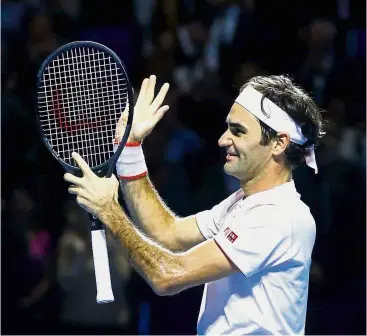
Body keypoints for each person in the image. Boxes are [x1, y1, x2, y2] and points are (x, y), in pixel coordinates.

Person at [64, 74, 325, 335]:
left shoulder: (278, 216)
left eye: (238, 131)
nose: (223, 140)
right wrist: (130, 148)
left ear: (279, 143)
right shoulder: (243, 204)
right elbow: (167, 232)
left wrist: (109, 211)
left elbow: (167, 276)